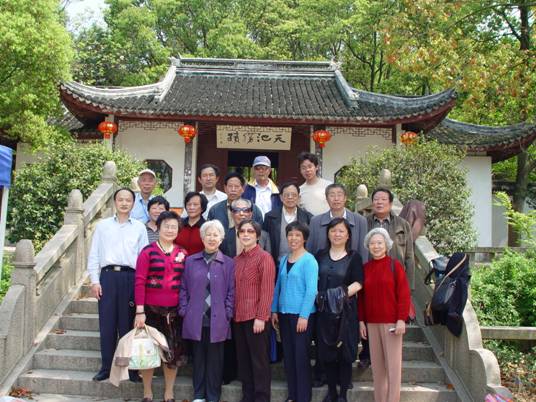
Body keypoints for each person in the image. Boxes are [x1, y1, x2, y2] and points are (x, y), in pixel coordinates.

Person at [87, 188, 149, 382]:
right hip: (108, 277)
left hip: (130, 278)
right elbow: (94, 255)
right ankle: (106, 367)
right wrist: (95, 281)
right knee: (107, 325)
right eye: (120, 199)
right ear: (115, 202)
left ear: (133, 203)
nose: (124, 203)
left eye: (128, 200)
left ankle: (131, 369)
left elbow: (143, 258)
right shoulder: (103, 226)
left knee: (127, 325)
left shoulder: (139, 227)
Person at [134, 211, 187, 402]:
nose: (170, 230)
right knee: (148, 352)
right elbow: (139, 281)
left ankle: (169, 392)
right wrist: (140, 311)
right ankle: (147, 391)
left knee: (172, 353)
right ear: (159, 227)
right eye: (166, 226)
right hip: (150, 311)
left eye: (174, 227)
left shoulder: (183, 253)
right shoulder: (147, 252)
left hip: (174, 312)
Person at [179, 220, 235, 402]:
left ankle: (212, 396)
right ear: (202, 238)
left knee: (215, 362)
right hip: (196, 318)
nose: (211, 238)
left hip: (218, 320)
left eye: (215, 235)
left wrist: (228, 312)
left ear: (221, 239)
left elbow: (231, 291)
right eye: (208, 235)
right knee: (198, 359)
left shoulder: (228, 263)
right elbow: (183, 288)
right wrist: (184, 310)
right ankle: (198, 395)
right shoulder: (191, 261)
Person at [359, 187, 415, 369]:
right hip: (370, 275)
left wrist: (410, 286)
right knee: (370, 312)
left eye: (384, 199)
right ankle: (367, 354)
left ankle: (389, 357)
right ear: (372, 202)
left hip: (393, 277)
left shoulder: (402, 225)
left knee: (391, 317)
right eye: (376, 199)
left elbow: (409, 256)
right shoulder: (364, 223)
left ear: (390, 203)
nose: (379, 202)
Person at [358, 228, 410, 402]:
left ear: (386, 245)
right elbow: (361, 298)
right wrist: (361, 321)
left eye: (379, 243)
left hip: (392, 324)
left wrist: (401, 319)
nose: (376, 246)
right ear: (368, 246)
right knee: (378, 369)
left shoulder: (395, 266)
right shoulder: (365, 268)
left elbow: (404, 294)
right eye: (372, 243)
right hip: (371, 323)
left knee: (393, 369)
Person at [315, 218, 363, 402]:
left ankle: (342, 394)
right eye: (333, 230)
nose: (337, 234)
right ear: (328, 234)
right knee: (327, 353)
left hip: (346, 313)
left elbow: (358, 283)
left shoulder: (354, 257)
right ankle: (331, 392)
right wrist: (323, 298)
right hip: (324, 312)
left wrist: (337, 296)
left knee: (344, 354)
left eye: (341, 231)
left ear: (348, 235)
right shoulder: (320, 255)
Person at [271, 221, 318, 402]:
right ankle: (292, 395)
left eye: (298, 235)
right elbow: (278, 286)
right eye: (290, 234)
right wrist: (274, 309)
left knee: (301, 357)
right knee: (289, 357)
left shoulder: (309, 260)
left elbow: (311, 291)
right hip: (284, 314)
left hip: (302, 317)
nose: (293, 238)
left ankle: (303, 397)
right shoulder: (284, 259)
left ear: (304, 238)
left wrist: (304, 316)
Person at [233, 219, 276, 402]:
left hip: (256, 318)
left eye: (250, 231)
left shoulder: (264, 258)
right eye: (242, 231)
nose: (246, 234)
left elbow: (267, 290)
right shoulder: (236, 260)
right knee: (244, 361)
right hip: (238, 317)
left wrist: (261, 317)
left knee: (259, 362)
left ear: (257, 236)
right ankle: (248, 396)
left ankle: (261, 398)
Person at [306, 183, 368, 260]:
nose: (336, 199)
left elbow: (363, 252)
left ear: (345, 198)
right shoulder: (315, 221)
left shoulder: (360, 221)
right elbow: (310, 251)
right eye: (332, 195)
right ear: (326, 199)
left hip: (352, 266)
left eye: (339, 195)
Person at [263, 182, 312, 265]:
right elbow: (265, 242)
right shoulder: (270, 217)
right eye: (286, 195)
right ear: (281, 197)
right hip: (276, 264)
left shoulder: (308, 218)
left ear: (299, 198)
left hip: (300, 264)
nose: (290, 197)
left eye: (294, 195)